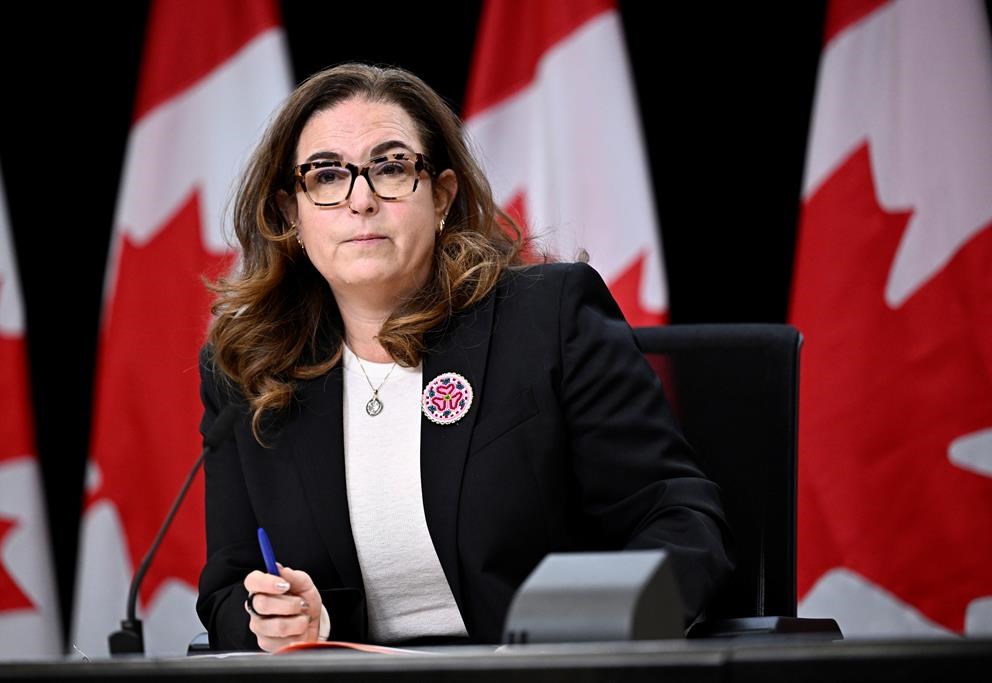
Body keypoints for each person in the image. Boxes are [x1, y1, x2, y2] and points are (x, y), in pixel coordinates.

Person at [196, 63, 733, 652]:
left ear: (442, 196)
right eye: (326, 176)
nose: (361, 200)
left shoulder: (544, 321)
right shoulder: (251, 370)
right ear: (291, 214)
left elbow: (676, 517)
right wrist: (274, 620)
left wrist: (602, 635)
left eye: (392, 168)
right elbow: (227, 587)